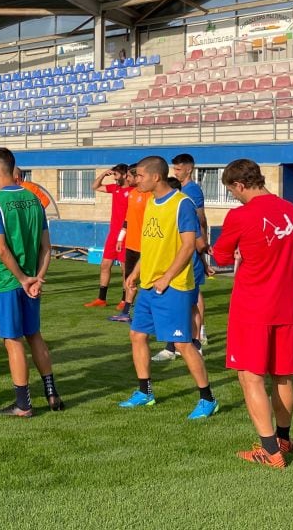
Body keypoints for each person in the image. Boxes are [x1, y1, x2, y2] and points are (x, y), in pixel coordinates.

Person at [211, 159, 293, 468]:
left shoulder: (240, 215)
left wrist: (236, 252)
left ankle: (269, 451)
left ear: (239, 185)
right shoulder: (290, 209)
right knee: (283, 376)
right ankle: (284, 438)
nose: (233, 196)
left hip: (253, 306)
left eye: (231, 190)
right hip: (286, 304)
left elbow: (221, 256)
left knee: (250, 377)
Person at [120, 156, 218, 420]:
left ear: (155, 177)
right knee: (137, 336)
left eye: (139, 175)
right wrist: (135, 273)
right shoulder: (151, 202)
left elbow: (188, 245)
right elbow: (150, 245)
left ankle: (208, 398)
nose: (135, 180)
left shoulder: (182, 204)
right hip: (149, 285)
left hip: (173, 286)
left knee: (182, 343)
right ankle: (145, 392)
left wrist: (167, 277)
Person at [0, 148, 63, 416]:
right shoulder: (34, 200)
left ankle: (23, 404)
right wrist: (38, 278)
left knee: (13, 339)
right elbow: (46, 247)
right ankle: (51, 392)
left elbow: (2, 250)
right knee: (35, 335)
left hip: (8, 281)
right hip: (32, 282)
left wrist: (22, 279)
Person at [153, 153, 211, 360]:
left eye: (178, 169)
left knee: (191, 300)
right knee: (180, 301)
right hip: (183, 254)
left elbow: (200, 221)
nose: (175, 172)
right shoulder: (176, 194)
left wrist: (202, 250)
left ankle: (194, 341)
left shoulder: (190, 192)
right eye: (174, 168)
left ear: (189, 169)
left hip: (190, 255)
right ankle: (174, 344)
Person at [85, 164, 130, 308]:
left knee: (125, 269)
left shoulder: (134, 191)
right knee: (105, 265)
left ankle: (124, 300)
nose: (114, 177)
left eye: (116, 175)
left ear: (124, 175)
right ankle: (101, 299)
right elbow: (95, 186)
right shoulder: (115, 188)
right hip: (113, 235)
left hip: (127, 235)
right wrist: (104, 174)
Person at [109, 166, 150, 322]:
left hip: (144, 246)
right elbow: (127, 219)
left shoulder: (149, 196)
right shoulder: (132, 194)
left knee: (146, 282)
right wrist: (121, 238)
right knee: (129, 280)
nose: (128, 179)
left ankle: (146, 314)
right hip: (130, 245)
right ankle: (126, 313)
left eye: (131, 176)